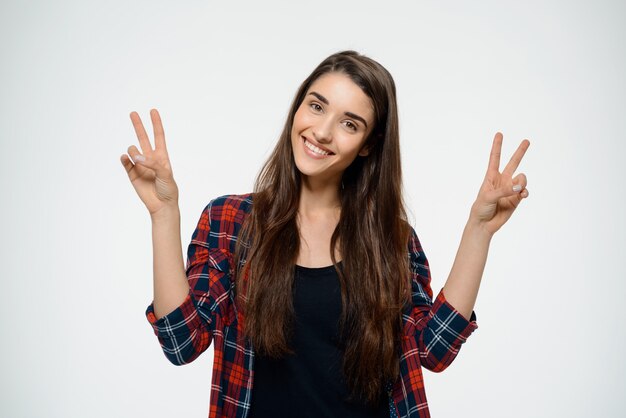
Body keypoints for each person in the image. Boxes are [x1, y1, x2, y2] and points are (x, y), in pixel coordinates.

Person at [120, 50, 530, 418]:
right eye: (316, 106)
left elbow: (433, 350)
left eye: (349, 124)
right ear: (298, 107)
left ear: (368, 145)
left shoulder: (391, 240)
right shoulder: (231, 221)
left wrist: (479, 231)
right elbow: (181, 343)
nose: (322, 131)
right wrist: (164, 214)